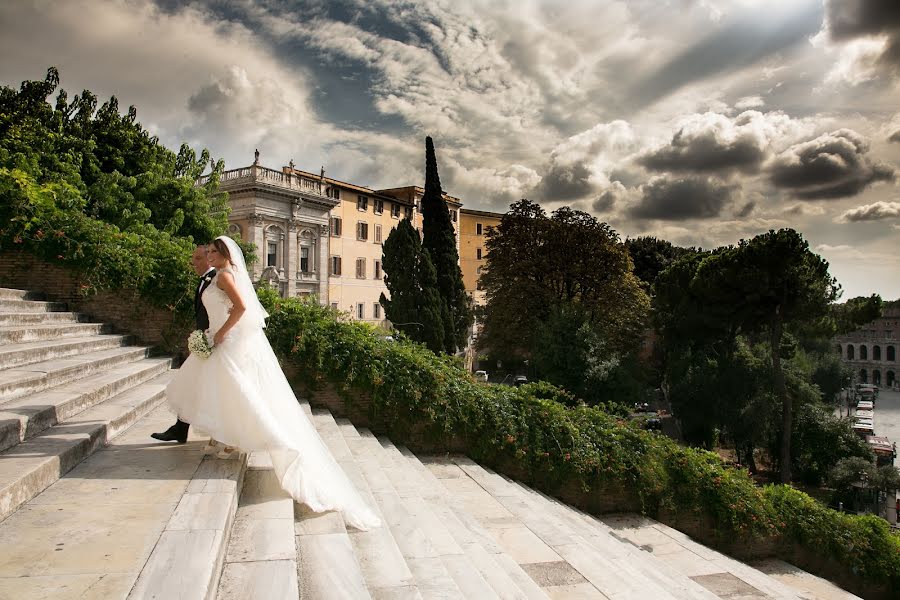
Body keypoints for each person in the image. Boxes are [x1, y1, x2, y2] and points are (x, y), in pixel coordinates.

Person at [164, 236, 380, 531]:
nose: (210, 256)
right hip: (223, 339)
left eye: (215, 252)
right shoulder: (224, 275)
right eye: (209, 252)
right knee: (221, 389)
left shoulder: (226, 276)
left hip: (226, 340)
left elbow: (240, 309)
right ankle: (223, 438)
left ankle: (231, 439)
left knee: (233, 390)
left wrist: (220, 334)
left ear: (227, 255)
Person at [151, 245, 216, 443]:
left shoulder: (217, 278)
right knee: (190, 384)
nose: (193, 262)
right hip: (205, 338)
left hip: (214, 341)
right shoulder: (206, 279)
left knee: (197, 385)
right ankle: (180, 428)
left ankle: (184, 429)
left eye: (197, 258)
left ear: (209, 259)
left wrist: (212, 335)